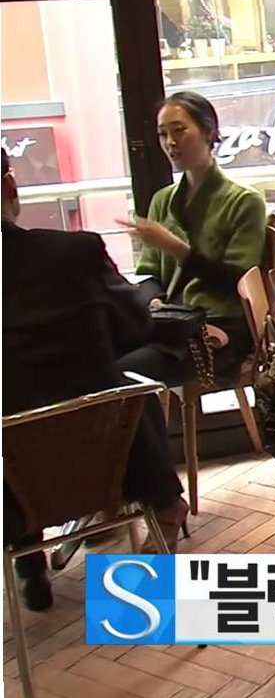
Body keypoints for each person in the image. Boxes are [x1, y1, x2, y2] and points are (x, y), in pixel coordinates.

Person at [2, 150, 188, 611]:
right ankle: (164, 502)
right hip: (108, 465)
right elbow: (135, 327)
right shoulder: (74, 254)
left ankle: (27, 559)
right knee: (129, 389)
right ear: (10, 188)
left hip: (12, 493)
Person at [117, 90, 267, 385]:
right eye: (163, 134)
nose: (170, 143)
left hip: (221, 326)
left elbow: (236, 282)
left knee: (126, 372)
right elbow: (148, 273)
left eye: (179, 130)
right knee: (100, 357)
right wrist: (155, 302)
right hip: (173, 323)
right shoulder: (163, 200)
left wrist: (175, 247)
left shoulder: (244, 201)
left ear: (209, 132)